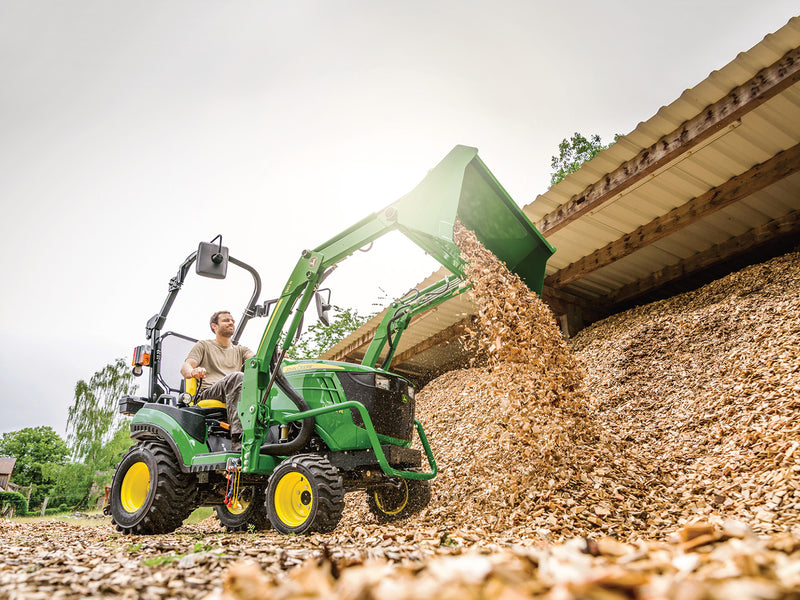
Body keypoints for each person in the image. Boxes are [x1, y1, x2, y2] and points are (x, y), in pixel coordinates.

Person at [180, 311, 254, 451]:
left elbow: (256, 360)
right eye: (226, 320)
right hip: (208, 392)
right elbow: (186, 367)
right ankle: (239, 441)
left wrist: (276, 355)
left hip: (234, 392)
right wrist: (192, 372)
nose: (231, 322)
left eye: (232, 320)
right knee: (237, 377)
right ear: (214, 326)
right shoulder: (204, 345)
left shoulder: (241, 350)